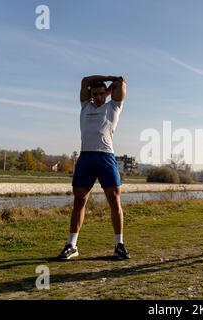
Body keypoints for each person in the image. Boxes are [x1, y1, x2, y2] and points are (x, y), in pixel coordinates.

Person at [57, 75, 129, 260]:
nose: (97, 97)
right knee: (79, 201)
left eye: (101, 94)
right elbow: (84, 80)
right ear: (90, 94)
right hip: (86, 157)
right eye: (94, 94)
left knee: (115, 201)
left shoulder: (113, 107)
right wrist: (107, 80)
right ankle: (72, 245)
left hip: (106, 157)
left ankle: (119, 245)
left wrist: (111, 87)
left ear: (106, 94)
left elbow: (121, 82)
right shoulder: (85, 106)